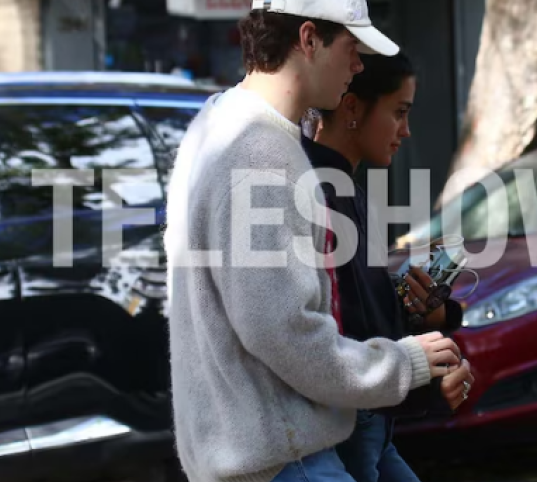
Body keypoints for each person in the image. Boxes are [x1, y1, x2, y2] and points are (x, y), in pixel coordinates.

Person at [163, 1, 464, 481]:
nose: (358, 66)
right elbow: (286, 333)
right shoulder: (259, 149)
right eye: (351, 48)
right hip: (283, 457)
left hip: (261, 449)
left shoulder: (219, 122)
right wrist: (405, 365)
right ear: (308, 39)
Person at [303, 52, 473, 482]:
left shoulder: (349, 190)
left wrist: (432, 314)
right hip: (346, 422)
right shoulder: (318, 193)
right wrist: (431, 381)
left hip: (371, 424)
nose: (406, 130)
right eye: (399, 112)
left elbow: (364, 315)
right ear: (352, 107)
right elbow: (346, 330)